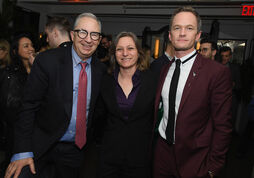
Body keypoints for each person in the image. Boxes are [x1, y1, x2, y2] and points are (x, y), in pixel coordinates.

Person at [4, 13, 106, 178]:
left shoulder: (100, 70)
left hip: (75, 151)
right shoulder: (47, 61)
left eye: (94, 34)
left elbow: (97, 110)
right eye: (83, 32)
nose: (88, 39)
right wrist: (23, 150)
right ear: (73, 35)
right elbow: (28, 106)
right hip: (40, 145)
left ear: (99, 39)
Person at [153, 6, 232, 178]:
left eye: (189, 28)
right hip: (162, 153)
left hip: (194, 159)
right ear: (170, 35)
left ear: (197, 35)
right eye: (177, 28)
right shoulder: (165, 69)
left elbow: (223, 126)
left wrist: (213, 167)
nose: (182, 33)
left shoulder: (216, 72)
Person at [95, 31, 157, 178]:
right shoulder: (105, 81)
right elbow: (99, 117)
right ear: (114, 53)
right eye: (119, 49)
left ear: (138, 52)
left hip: (140, 157)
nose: (125, 53)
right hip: (109, 156)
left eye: (130, 48)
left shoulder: (153, 80)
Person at [0, 34, 35, 176]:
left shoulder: (37, 70)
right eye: (26, 46)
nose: (31, 48)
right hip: (16, 130)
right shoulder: (11, 73)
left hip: (33, 129)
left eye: (32, 45)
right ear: (15, 51)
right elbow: (10, 106)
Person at [219, 46, 241, 131]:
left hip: (230, 101)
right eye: (222, 56)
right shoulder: (215, 66)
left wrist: (233, 85)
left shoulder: (235, 68)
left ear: (230, 56)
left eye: (226, 56)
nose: (224, 58)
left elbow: (239, 85)